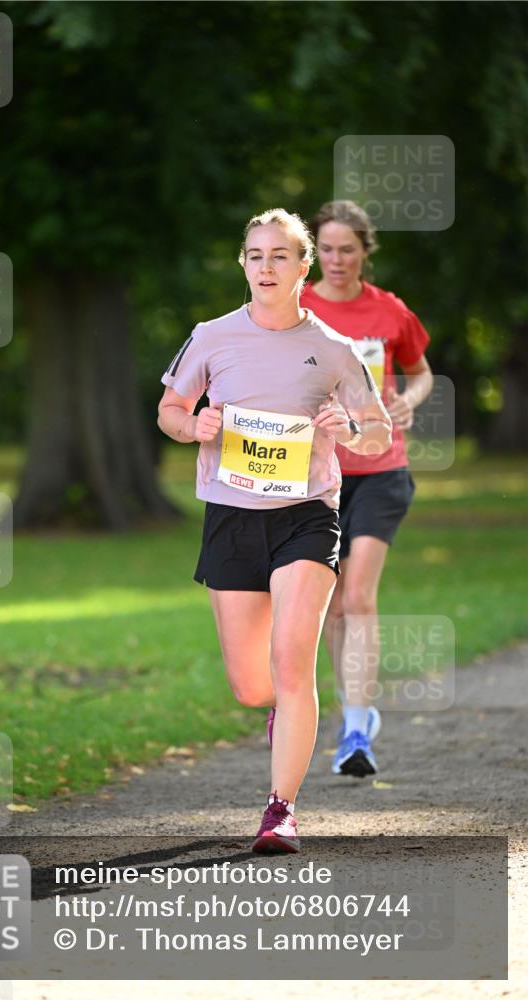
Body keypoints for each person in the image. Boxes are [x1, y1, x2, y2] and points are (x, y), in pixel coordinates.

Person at [157, 208, 391, 853]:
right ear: (243, 264)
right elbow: (171, 410)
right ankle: (279, 714)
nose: (267, 266)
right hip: (231, 517)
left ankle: (280, 810)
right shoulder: (211, 336)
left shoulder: (335, 350)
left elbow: (378, 428)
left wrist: (353, 430)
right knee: (254, 684)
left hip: (307, 517)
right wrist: (193, 426)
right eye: (256, 255)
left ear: (302, 267)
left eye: (280, 256)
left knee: (293, 666)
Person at [301, 200, 433, 778]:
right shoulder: (295, 307)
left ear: (363, 253)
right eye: (325, 249)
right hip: (314, 474)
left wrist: (409, 397)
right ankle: (352, 712)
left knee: (358, 597)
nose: (335, 260)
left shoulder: (388, 311)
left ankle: (356, 730)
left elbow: (421, 369)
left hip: (381, 470)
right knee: (330, 608)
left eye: (346, 249)